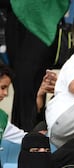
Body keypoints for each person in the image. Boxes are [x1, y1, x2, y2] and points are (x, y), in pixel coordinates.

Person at [1, 0, 67, 132]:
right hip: (18, 26)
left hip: (42, 28)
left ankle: (33, 139)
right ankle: (25, 138)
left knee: (33, 87)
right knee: (22, 87)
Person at [0, 64, 26, 144]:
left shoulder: (2, 117)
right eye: (3, 87)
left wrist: (40, 136)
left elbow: (23, 137)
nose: (6, 93)